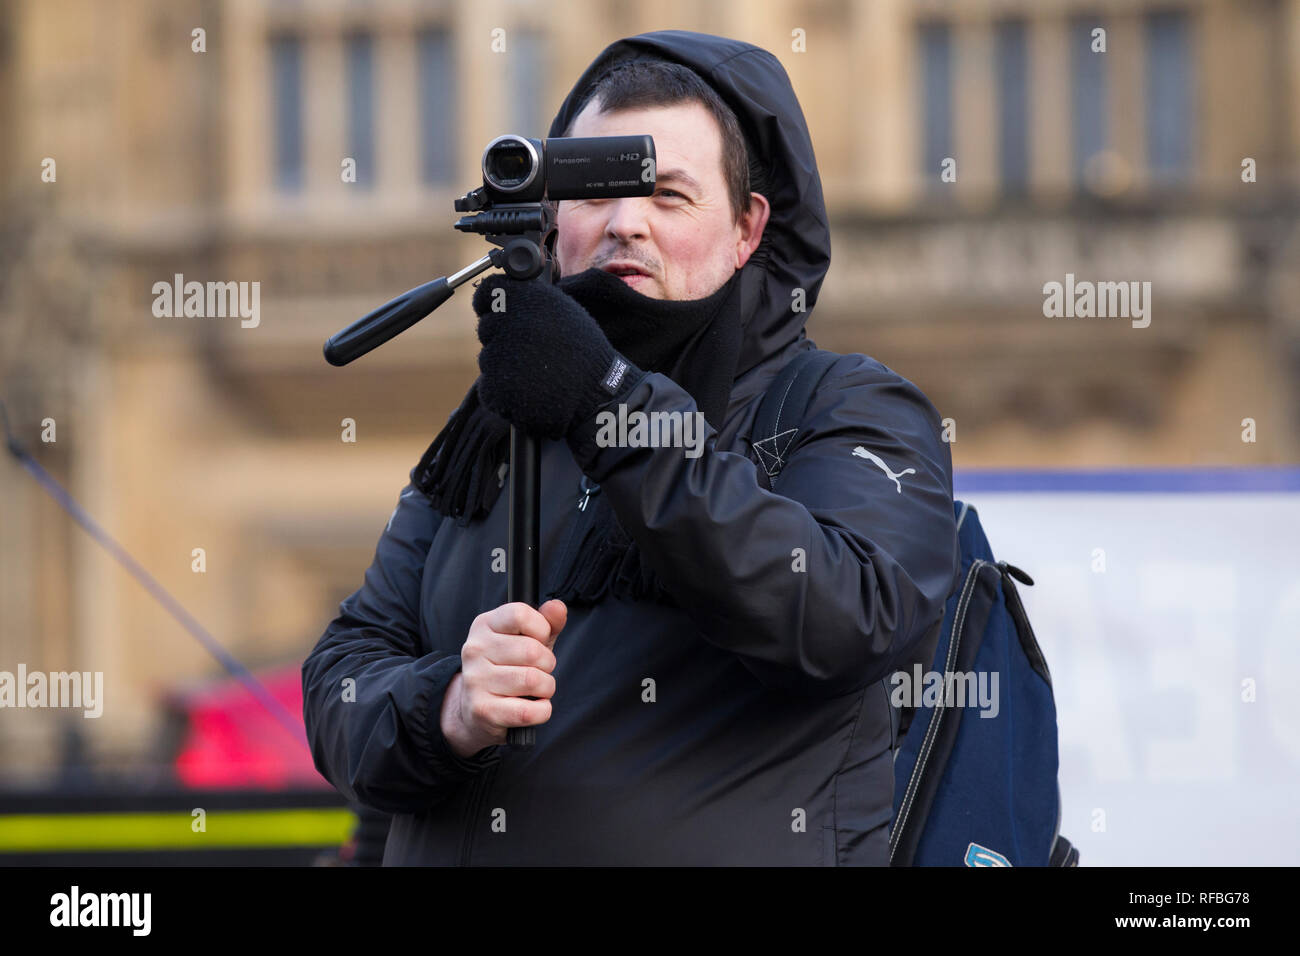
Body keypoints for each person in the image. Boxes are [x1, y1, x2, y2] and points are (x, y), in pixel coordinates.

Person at [302, 29, 960, 866]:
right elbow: (343, 673)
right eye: (593, 192)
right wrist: (451, 706)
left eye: (669, 196)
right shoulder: (493, 427)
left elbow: (848, 617)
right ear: (548, 221)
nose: (624, 225)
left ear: (748, 228)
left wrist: (607, 399)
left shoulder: (845, 405)